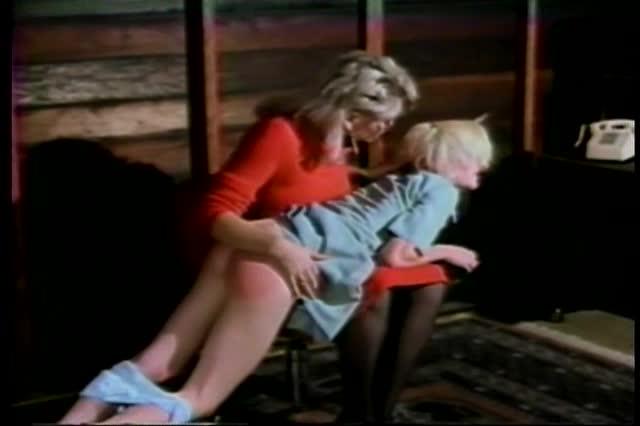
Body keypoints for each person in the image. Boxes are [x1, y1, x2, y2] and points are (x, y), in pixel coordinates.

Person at [55, 50, 459, 425]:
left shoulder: (336, 145)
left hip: (274, 249)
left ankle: (369, 413)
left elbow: (326, 200)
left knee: (424, 286)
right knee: (198, 398)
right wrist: (279, 248)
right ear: (351, 113)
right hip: (263, 254)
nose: (387, 129)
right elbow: (215, 210)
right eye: (384, 120)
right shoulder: (279, 133)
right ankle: (363, 414)